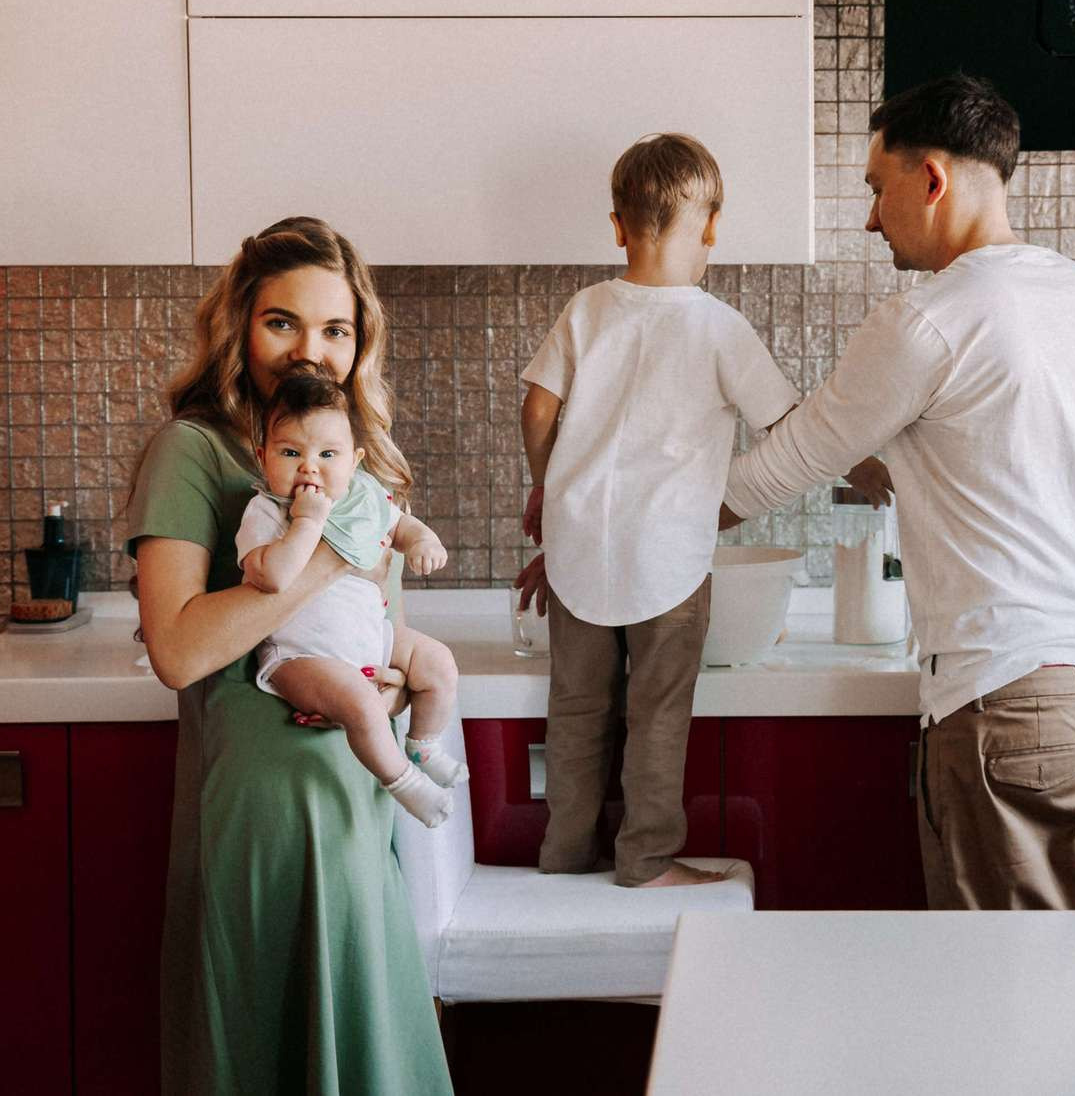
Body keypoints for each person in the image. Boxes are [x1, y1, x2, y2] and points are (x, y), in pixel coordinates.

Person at [720, 75, 1075, 911]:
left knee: (1006, 1008)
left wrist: (606, 535)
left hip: (1007, 709)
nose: (871, 218)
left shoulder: (928, 323)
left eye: (879, 189)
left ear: (934, 179)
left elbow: (774, 472)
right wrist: (1064, 500)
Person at [126, 217, 452, 1095]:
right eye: (283, 322)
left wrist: (385, 686)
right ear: (241, 324)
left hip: (356, 806)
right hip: (265, 815)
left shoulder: (357, 457)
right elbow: (181, 651)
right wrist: (341, 546)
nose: (311, 348)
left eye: (336, 329)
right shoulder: (192, 452)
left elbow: (373, 634)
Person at [515, 133, 888, 888]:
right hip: (671, 558)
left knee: (579, 711)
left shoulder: (586, 310)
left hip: (580, 548)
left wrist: (547, 484)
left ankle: (565, 852)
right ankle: (646, 859)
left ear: (617, 226)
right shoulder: (719, 327)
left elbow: (536, 405)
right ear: (712, 227)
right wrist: (866, 466)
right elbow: (791, 425)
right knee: (656, 711)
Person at [238, 370, 466, 828]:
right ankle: (402, 781)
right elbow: (274, 576)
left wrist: (422, 541)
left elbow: (399, 524)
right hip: (300, 654)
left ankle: (423, 743)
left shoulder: (362, 497)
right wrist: (306, 523)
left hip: (369, 636)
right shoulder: (265, 511)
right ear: (263, 458)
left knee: (438, 663)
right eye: (290, 452)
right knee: (361, 704)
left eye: (327, 454)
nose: (310, 467)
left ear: (354, 459)